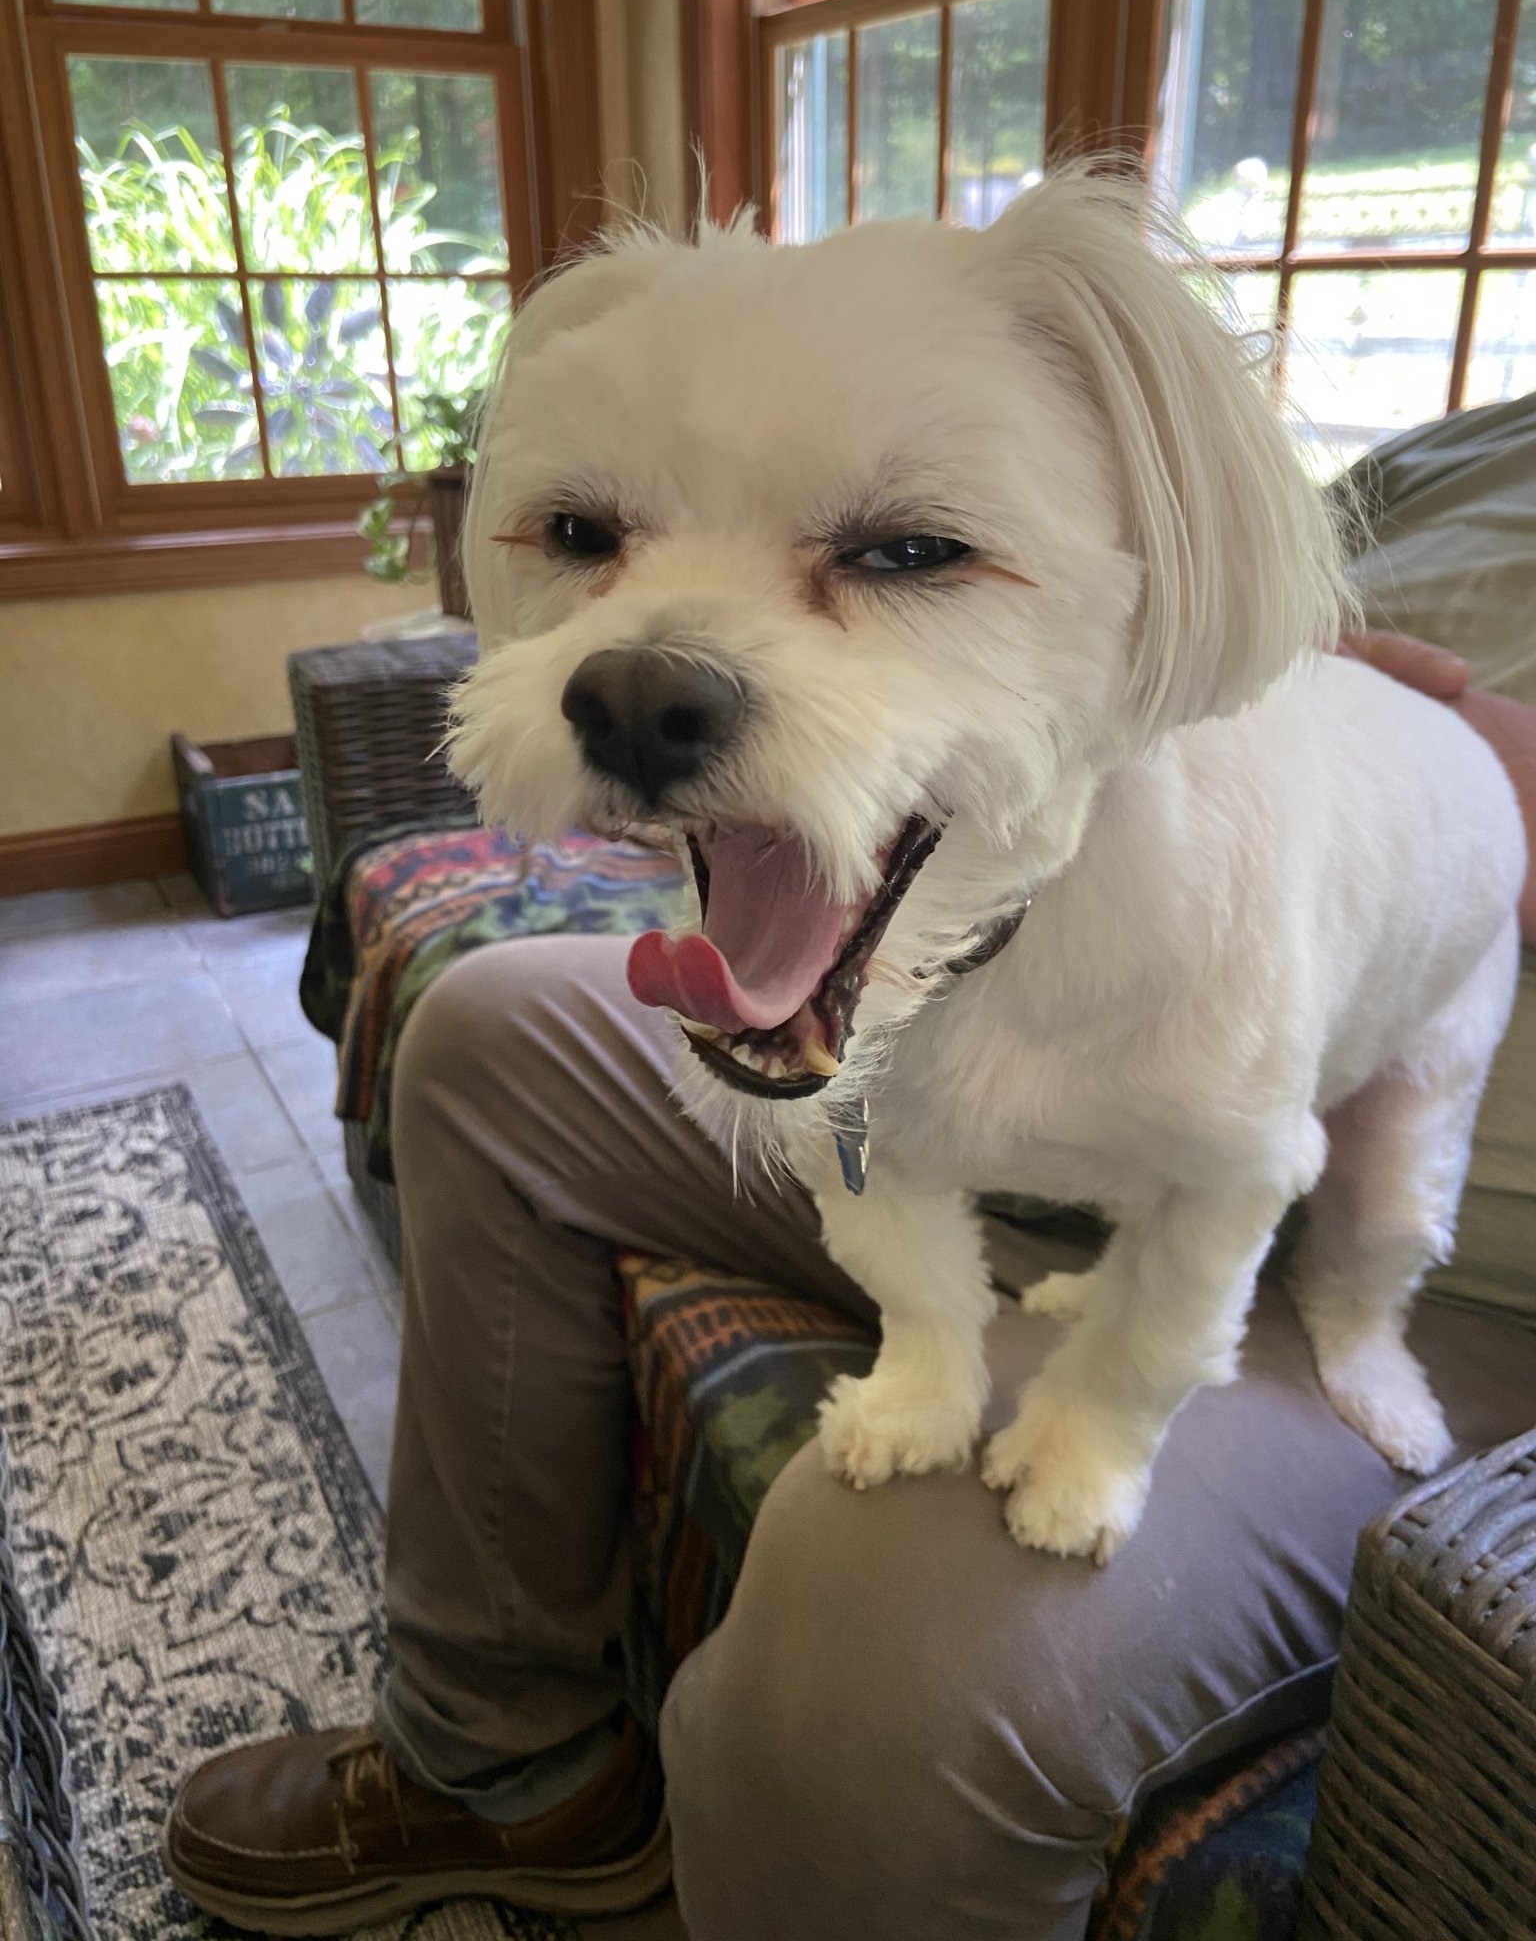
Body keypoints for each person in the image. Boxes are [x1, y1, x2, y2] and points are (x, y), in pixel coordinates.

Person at [163, 631, 1536, 1941]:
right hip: (998, 1032)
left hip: (1363, 1228)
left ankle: (1330, 1318)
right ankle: (505, 1767)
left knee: (890, 1657)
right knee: (487, 1037)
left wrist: (1455, 787)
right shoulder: (1381, 511)